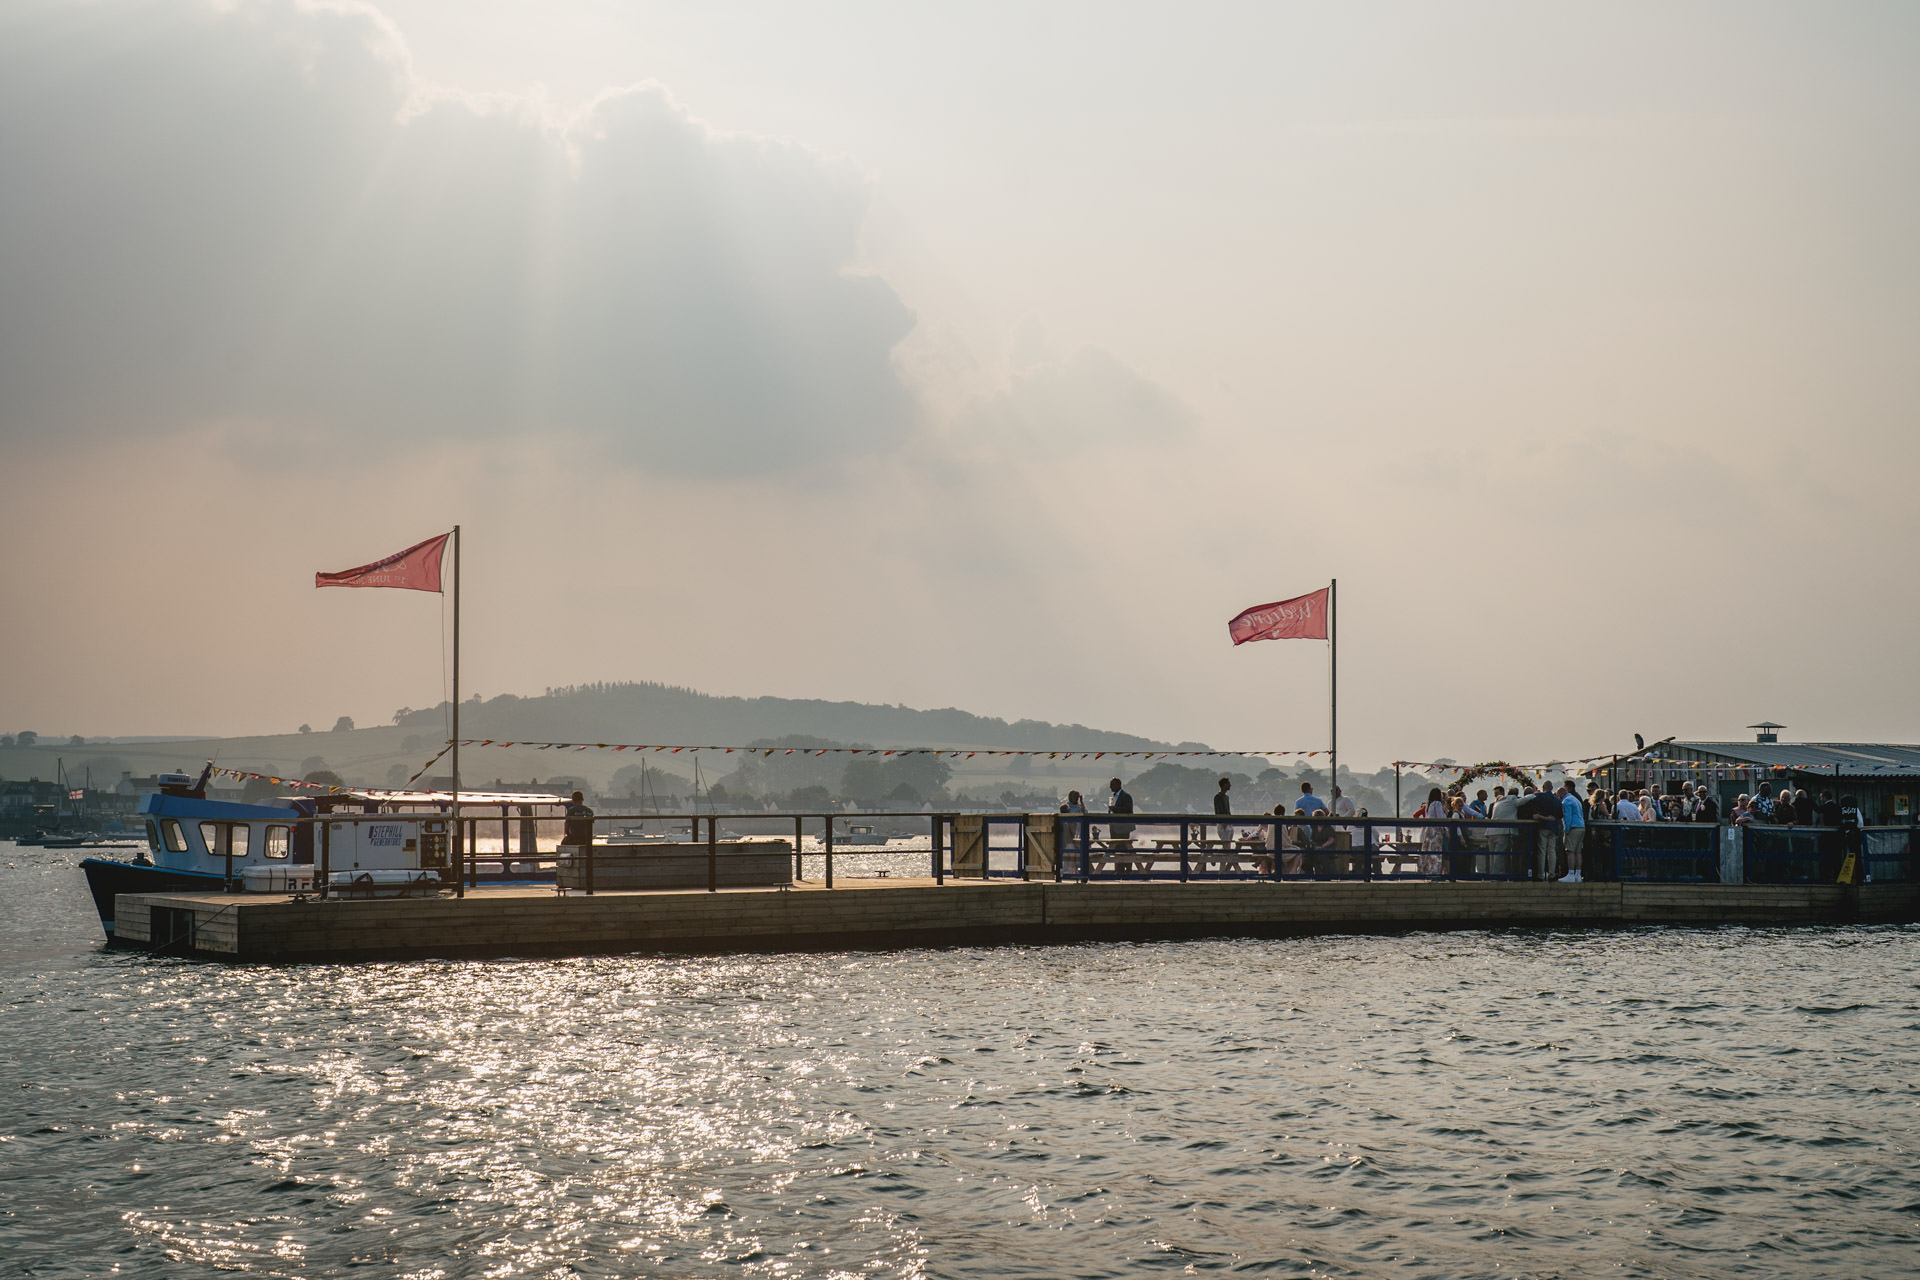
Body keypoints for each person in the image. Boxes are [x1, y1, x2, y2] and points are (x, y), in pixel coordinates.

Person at [1559, 780, 1586, 882]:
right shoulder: (1576, 799)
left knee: (1570, 852)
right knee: (1578, 852)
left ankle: (1570, 874)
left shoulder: (1566, 801)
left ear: (1562, 794)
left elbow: (1567, 817)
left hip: (1573, 827)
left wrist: (1566, 830)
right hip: (1581, 827)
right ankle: (1578, 875)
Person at [1106, 777, 1135, 844]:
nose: (1110, 787)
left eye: (1112, 785)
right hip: (1114, 825)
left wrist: (1114, 809)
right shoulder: (1114, 796)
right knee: (1114, 844)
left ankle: (1125, 854)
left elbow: (1128, 809)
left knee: (1123, 845)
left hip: (1123, 826)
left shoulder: (1126, 796)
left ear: (1118, 785)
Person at [1214, 776, 1234, 845]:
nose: (1230, 785)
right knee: (1225, 843)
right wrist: (1223, 823)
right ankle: (1226, 855)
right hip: (1222, 824)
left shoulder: (1226, 797)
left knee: (1228, 842)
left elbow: (1228, 810)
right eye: (1228, 784)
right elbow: (1218, 811)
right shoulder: (1218, 797)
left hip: (1228, 823)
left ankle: (1228, 855)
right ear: (1224, 785)